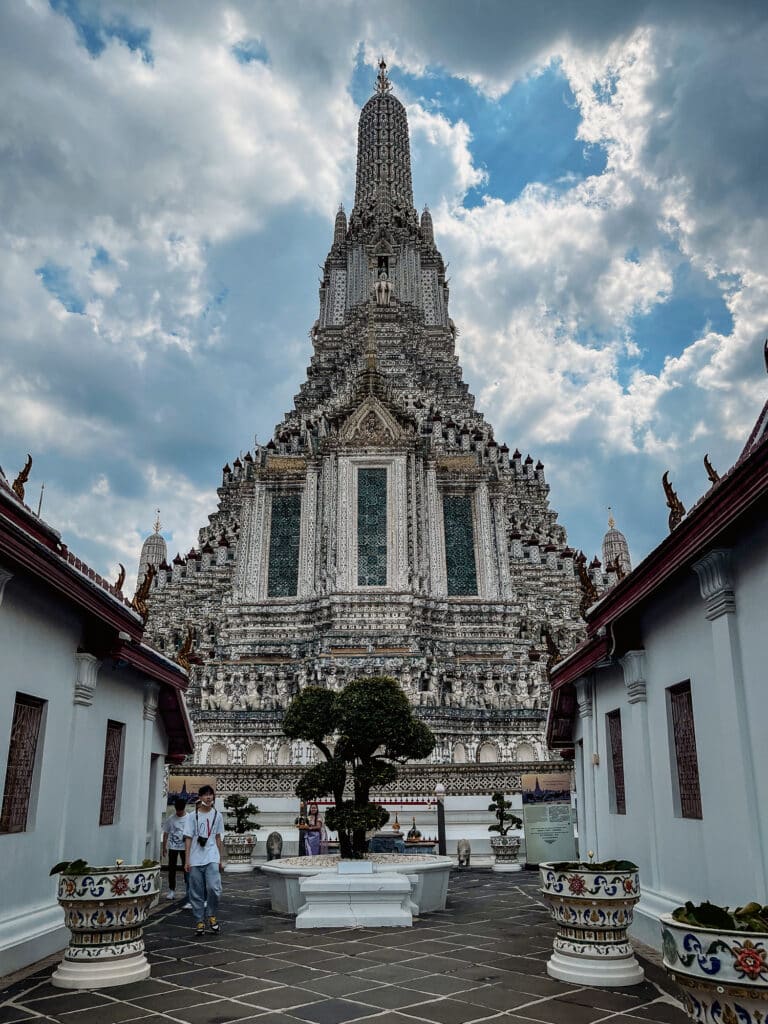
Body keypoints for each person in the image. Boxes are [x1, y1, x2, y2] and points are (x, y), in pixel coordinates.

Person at [183, 785, 225, 936]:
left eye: (211, 795)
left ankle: (211, 914)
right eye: (205, 795)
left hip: (212, 855)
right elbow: (188, 838)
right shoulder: (191, 816)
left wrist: (220, 858)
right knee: (196, 891)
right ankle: (199, 919)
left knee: (214, 887)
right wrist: (187, 860)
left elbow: (218, 837)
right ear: (200, 797)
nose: (208, 797)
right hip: (195, 857)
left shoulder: (217, 815)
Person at [161, 798, 190, 906]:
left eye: (180, 810)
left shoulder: (189, 818)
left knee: (186, 869)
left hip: (185, 848)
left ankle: (188, 890)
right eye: (177, 810)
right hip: (173, 847)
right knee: (171, 869)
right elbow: (166, 833)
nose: (179, 812)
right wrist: (164, 847)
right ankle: (171, 890)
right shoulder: (171, 819)